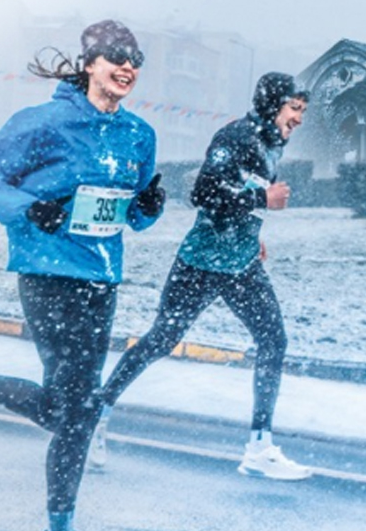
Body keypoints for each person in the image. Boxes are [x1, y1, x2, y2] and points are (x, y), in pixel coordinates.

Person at [0, 19, 165, 531]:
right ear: (90, 64)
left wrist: (150, 204)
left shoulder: (139, 135)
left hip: (103, 276)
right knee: (77, 411)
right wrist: (32, 209)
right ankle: (60, 522)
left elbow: (136, 216)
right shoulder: (44, 123)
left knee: (70, 410)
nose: (127, 67)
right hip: (49, 271)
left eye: (135, 59)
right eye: (117, 56)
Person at [89, 72, 310, 481]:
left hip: (240, 264)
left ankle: (259, 448)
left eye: (302, 111)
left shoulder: (269, 143)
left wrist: (252, 231)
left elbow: (237, 195)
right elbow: (204, 192)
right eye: (294, 108)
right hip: (202, 264)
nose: (298, 119)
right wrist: (264, 199)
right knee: (161, 340)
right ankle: (96, 415)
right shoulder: (237, 137)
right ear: (273, 104)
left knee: (273, 340)